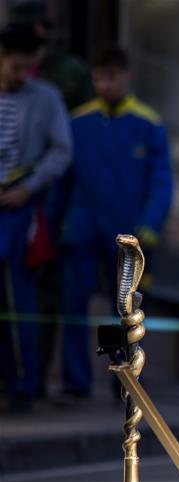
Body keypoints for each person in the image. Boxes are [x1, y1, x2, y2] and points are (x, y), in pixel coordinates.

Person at [52, 46, 172, 402]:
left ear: (126, 77)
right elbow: (62, 181)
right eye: (100, 78)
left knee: (126, 309)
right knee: (74, 303)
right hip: (82, 229)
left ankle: (125, 381)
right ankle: (75, 383)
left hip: (128, 235)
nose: (106, 84)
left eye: (112, 78)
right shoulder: (78, 122)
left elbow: (161, 182)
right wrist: (55, 225)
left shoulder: (148, 124)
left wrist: (150, 225)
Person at [0, 24, 72, 413]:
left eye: (26, 67)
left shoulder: (45, 98)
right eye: (14, 66)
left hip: (19, 210)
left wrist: (29, 187)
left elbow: (62, 151)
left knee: (19, 300)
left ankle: (23, 386)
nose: (20, 75)